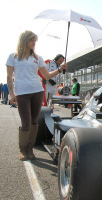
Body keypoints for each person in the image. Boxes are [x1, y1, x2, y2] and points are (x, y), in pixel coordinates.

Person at [6, 30, 67, 161]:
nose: (34, 43)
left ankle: (30, 149)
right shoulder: (13, 57)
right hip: (21, 93)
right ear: (24, 41)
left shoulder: (37, 58)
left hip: (37, 91)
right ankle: (23, 150)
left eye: (35, 41)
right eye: (32, 40)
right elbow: (9, 77)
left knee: (34, 121)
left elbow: (47, 75)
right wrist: (11, 94)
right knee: (26, 122)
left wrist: (59, 70)